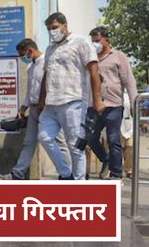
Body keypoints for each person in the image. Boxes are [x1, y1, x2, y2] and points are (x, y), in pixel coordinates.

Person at [38, 12, 104, 180]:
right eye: (49, 29)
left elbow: (94, 71)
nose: (52, 31)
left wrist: (97, 100)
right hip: (51, 103)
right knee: (44, 137)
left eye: (55, 27)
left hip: (72, 101)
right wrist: (42, 99)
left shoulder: (81, 42)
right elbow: (46, 75)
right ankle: (66, 173)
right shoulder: (50, 49)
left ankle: (79, 183)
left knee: (75, 146)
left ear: (65, 26)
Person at [0, 39, 70, 180]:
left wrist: (47, 105)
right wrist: (23, 108)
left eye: (22, 54)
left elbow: (54, 87)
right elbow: (31, 91)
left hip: (49, 109)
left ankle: (67, 174)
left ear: (30, 51)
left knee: (58, 142)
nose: (22, 58)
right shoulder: (31, 67)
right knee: (29, 142)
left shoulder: (48, 63)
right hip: (35, 110)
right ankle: (17, 174)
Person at [85, 26, 138, 180]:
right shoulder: (90, 58)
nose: (94, 44)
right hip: (93, 106)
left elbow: (129, 81)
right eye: (92, 41)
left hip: (113, 105)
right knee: (90, 137)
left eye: (97, 40)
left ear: (106, 39)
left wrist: (134, 103)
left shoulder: (118, 56)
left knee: (113, 139)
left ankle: (116, 174)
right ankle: (106, 159)